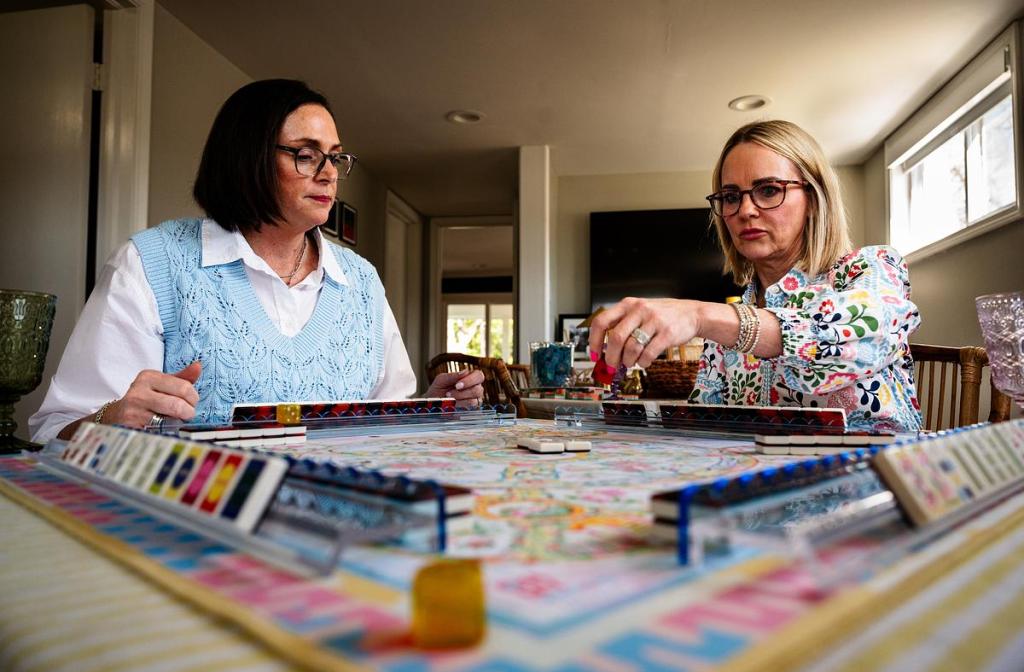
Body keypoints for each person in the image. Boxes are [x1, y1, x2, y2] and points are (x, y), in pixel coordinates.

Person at [30, 79, 484, 443]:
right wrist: (111, 419)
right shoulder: (153, 264)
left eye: (336, 157)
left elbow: (384, 423)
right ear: (246, 158)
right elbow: (56, 430)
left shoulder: (360, 280)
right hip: (196, 531)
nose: (329, 172)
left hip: (340, 531)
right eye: (306, 155)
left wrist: (429, 406)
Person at [589, 120, 921, 432]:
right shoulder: (724, 327)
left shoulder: (871, 270)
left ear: (814, 200)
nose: (745, 210)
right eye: (731, 197)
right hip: (763, 484)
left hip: (874, 482)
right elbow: (708, 422)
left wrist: (698, 314)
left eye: (768, 190)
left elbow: (836, 344)